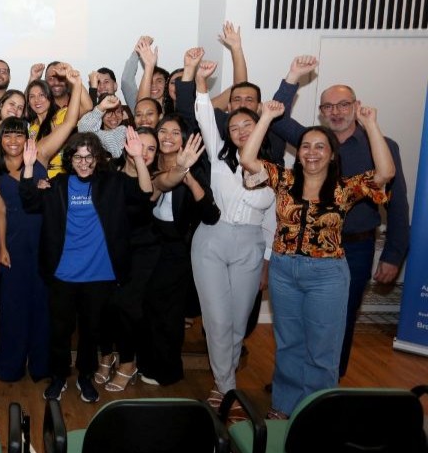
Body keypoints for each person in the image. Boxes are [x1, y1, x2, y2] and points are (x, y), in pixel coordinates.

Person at [240, 97, 394, 419]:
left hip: (327, 275)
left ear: (331, 154)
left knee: (323, 349)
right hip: (284, 270)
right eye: (306, 146)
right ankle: (283, 406)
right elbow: (248, 158)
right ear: (299, 152)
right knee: (289, 344)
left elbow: (384, 172)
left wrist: (371, 125)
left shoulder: (344, 188)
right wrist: (266, 118)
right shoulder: (285, 180)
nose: (312, 152)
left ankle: (318, 414)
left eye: (320, 147)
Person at [267, 56, 409, 379]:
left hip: (354, 250)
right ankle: (295, 382)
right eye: (328, 107)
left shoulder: (382, 145)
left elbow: (398, 203)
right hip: (303, 251)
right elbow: (276, 117)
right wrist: (292, 78)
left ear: (356, 107)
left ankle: (328, 389)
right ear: (321, 112)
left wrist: (394, 253)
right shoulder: (313, 142)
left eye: (343, 105)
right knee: (295, 321)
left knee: (339, 323)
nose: (336, 112)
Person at [19, 129, 153, 403]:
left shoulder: (112, 183)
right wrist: (30, 167)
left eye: (89, 157)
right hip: (62, 274)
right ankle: (59, 377)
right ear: (70, 159)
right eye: (78, 157)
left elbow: (144, 195)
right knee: (60, 331)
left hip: (99, 275)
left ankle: (84, 377)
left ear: (98, 159)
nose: (83, 162)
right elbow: (30, 201)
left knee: (91, 333)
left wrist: (138, 158)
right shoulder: (57, 185)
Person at [179, 56, 276, 411]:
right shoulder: (219, 161)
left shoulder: (276, 171)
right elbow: (205, 116)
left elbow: (273, 222)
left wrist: (266, 261)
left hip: (251, 246)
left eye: (246, 125)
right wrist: (202, 83)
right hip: (211, 242)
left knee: (237, 322)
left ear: (259, 127)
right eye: (233, 127)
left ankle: (226, 379)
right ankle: (226, 386)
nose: (239, 131)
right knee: (218, 320)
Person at [139, 115, 220, 386]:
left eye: (176, 132)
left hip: (178, 248)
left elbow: (210, 215)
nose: (168, 137)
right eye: (163, 131)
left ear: (184, 139)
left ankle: (167, 370)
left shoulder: (196, 169)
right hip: (150, 244)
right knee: (148, 307)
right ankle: (146, 364)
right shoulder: (148, 163)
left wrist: (189, 178)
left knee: (169, 313)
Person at [0, 117, 48, 382]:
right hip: (13, 240)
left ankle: (40, 366)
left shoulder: (39, 165)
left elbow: (45, 206)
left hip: (40, 238)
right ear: (0, 139)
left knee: (41, 304)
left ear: (27, 139)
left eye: (18, 135)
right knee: (12, 306)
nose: (13, 141)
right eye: (7, 135)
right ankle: (10, 367)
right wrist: (1, 247)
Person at [101, 127, 160, 392]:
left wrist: (138, 159)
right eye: (139, 145)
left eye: (151, 149)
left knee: (127, 305)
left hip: (142, 250)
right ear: (126, 145)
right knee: (105, 304)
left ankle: (128, 363)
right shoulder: (110, 174)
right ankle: (107, 356)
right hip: (112, 249)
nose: (145, 152)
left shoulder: (153, 178)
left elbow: (145, 194)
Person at [77, 94, 130, 158]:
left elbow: (115, 150)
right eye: (109, 112)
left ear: (123, 114)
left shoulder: (124, 131)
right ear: (101, 114)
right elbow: (82, 130)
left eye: (118, 112)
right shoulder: (95, 133)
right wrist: (101, 108)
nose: (114, 116)